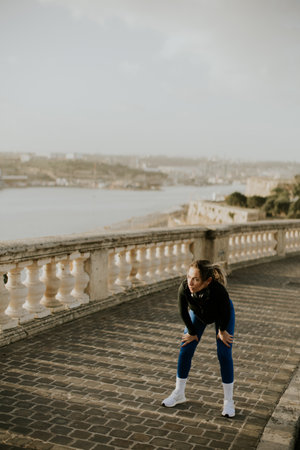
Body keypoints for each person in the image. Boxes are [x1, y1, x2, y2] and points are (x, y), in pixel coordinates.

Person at [162, 259, 235, 417]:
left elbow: (225, 312)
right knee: (185, 348)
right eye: (189, 277)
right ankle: (179, 393)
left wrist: (222, 330)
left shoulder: (219, 291)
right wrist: (191, 332)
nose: (191, 282)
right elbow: (183, 311)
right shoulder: (184, 288)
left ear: (207, 281)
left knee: (224, 353)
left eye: (195, 279)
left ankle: (229, 401)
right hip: (199, 314)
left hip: (222, 315)